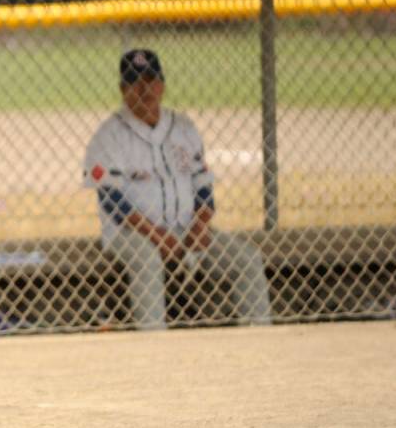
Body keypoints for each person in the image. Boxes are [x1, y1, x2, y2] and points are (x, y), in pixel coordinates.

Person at [83, 49, 273, 330]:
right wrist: (155, 235)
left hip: (186, 228)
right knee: (147, 262)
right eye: (135, 82)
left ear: (162, 85)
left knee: (248, 260)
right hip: (131, 234)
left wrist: (200, 224)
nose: (144, 88)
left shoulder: (183, 128)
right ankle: (155, 343)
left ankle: (260, 335)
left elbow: (202, 185)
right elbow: (111, 200)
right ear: (123, 89)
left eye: (150, 79)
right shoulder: (109, 135)